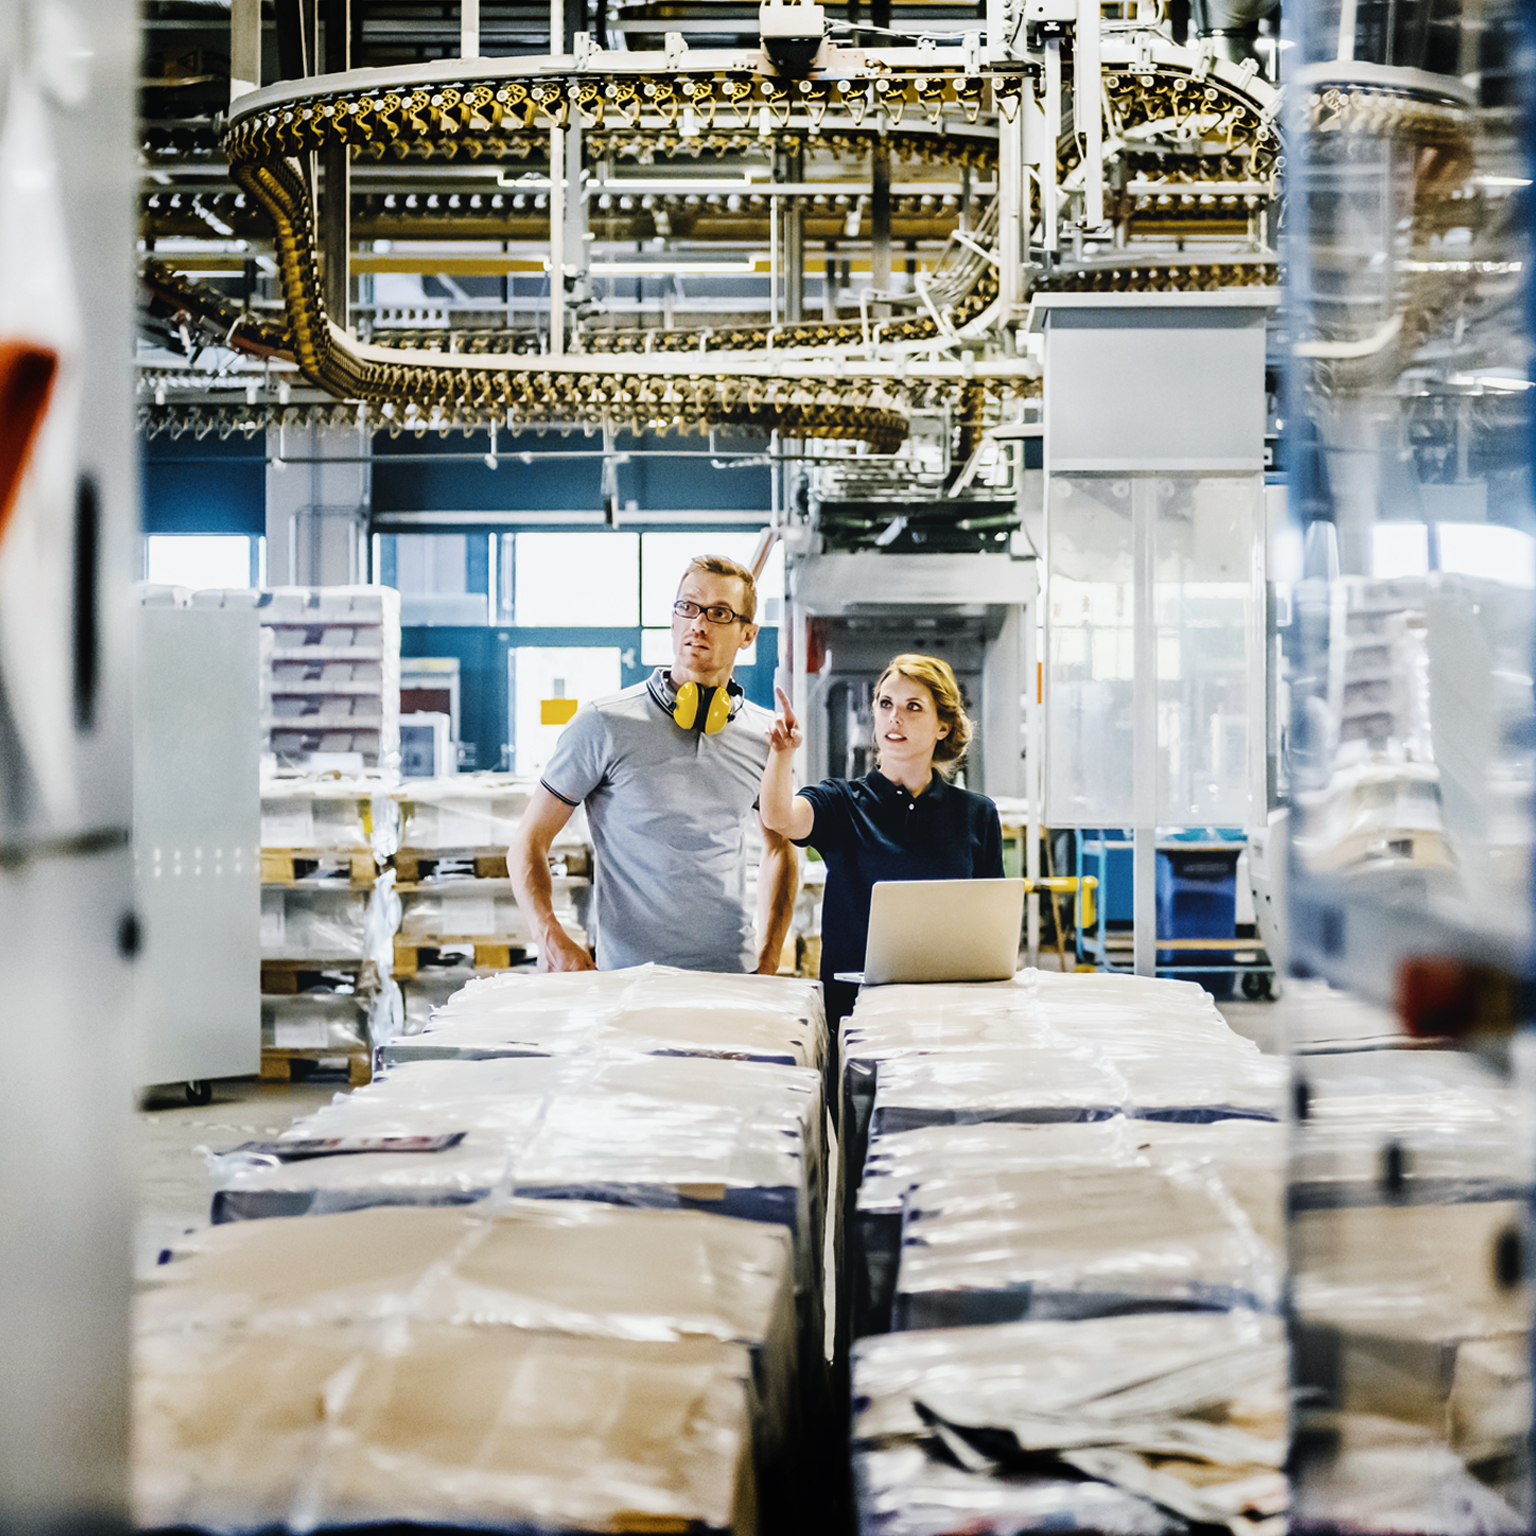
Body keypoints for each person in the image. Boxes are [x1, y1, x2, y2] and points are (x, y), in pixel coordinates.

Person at [509, 553, 797, 974]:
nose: (698, 624)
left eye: (719, 613)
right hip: (626, 980)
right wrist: (549, 936)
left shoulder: (766, 737)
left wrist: (769, 958)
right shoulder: (603, 723)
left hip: (731, 979)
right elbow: (529, 840)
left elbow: (780, 849)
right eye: (688, 607)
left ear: (747, 635)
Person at [758, 652, 1003, 1031]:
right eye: (885, 704)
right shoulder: (841, 804)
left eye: (913, 707)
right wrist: (782, 755)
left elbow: (992, 930)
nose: (895, 717)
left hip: (946, 1015)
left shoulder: (976, 814)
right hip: (855, 1017)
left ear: (942, 726)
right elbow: (779, 817)